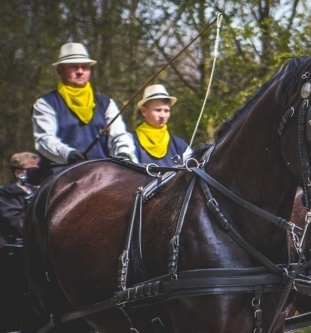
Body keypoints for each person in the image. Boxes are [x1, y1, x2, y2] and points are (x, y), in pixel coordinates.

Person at [32, 42, 137, 174]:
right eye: (74, 67)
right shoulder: (45, 103)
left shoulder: (106, 103)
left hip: (102, 174)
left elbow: (120, 135)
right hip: (61, 173)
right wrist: (68, 154)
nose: (80, 71)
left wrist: (123, 153)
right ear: (60, 70)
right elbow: (44, 139)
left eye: (84, 67)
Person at [133, 84, 192, 167]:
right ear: (144, 111)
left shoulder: (180, 146)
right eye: (158, 110)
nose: (163, 116)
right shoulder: (130, 141)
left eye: (166, 111)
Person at [0, 152, 39, 249]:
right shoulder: (8, 194)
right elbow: (16, 223)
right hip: (14, 244)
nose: (37, 173)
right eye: (32, 170)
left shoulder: (39, 191)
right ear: (18, 173)